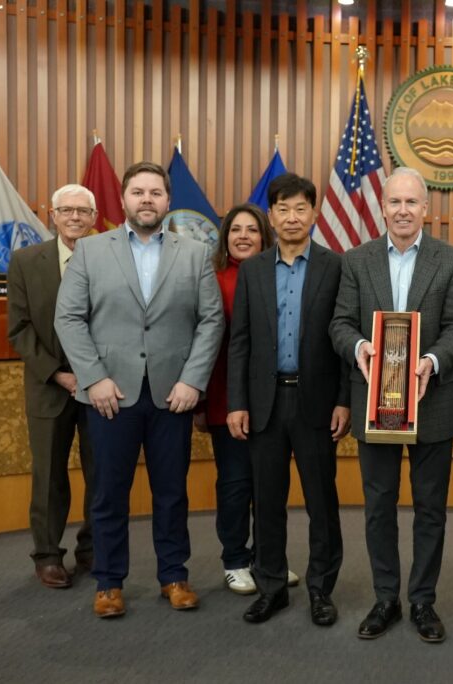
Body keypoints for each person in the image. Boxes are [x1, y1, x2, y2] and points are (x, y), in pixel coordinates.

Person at [55, 161, 224, 618]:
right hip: (111, 396)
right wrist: (94, 378)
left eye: (155, 193)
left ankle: (174, 576)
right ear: (124, 199)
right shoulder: (90, 252)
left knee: (172, 492)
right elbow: (68, 318)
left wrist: (193, 379)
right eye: (137, 192)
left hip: (174, 395)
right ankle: (109, 583)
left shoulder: (194, 253)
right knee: (109, 493)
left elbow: (211, 320)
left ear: (168, 202)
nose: (146, 200)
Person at [330, 166, 453, 643]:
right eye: (395, 202)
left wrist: (432, 360)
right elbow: (340, 324)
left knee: (431, 507)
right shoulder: (356, 260)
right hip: (374, 399)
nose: (404, 210)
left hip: (431, 401)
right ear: (383, 207)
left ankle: (423, 601)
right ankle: (386, 598)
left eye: (412, 202)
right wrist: (358, 348)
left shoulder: (452, 261)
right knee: (378, 506)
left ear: (426, 209)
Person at [227, 173, 349, 627]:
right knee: (268, 499)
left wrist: (344, 401)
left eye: (301, 208)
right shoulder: (254, 269)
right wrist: (237, 401)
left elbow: (344, 341)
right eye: (283, 209)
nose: (292, 217)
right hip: (264, 403)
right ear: (271, 215)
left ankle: (321, 589)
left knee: (322, 502)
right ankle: (272, 586)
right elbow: (239, 341)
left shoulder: (336, 267)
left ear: (314, 214)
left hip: (317, 402)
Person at [194, 202, 297, 595]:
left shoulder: (280, 274)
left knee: (269, 486)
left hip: (274, 401)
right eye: (235, 230)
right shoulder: (213, 277)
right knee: (236, 483)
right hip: (226, 397)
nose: (243, 237)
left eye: (251, 230)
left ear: (264, 234)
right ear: (225, 236)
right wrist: (202, 403)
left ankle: (267, 560)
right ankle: (235, 559)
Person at [7, 183, 99, 589]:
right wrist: (58, 373)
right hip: (49, 385)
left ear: (94, 218)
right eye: (67, 210)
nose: (75, 217)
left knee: (102, 472)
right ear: (53, 214)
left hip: (101, 386)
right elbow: (20, 328)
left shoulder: (110, 258)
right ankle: (47, 555)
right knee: (48, 476)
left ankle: (92, 548)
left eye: (83, 211)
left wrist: (95, 375)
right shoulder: (26, 261)